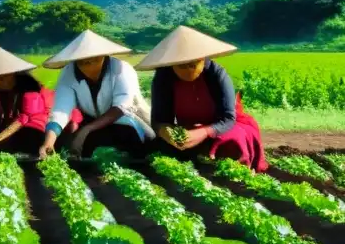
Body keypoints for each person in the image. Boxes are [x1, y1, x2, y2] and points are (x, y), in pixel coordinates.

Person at [140, 25, 267, 171]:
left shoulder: (217, 75)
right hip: (188, 129)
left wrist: (204, 132)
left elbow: (227, 119)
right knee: (159, 147)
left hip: (225, 127)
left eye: (192, 65)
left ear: (202, 59)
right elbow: (159, 120)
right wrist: (167, 132)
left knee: (233, 140)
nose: (188, 70)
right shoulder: (163, 78)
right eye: (181, 66)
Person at [38, 30, 154, 159]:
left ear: (104, 55)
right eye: (82, 60)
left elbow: (122, 107)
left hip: (126, 119)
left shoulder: (121, 68)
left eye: (93, 58)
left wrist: (86, 129)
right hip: (91, 120)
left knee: (146, 145)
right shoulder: (68, 73)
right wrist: (49, 142)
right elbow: (61, 110)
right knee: (75, 148)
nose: (88, 62)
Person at [0, 43, 82, 155]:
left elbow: (24, 118)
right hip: (16, 126)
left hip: (46, 124)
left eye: (4, 76)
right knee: (1, 139)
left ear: (15, 74)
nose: (0, 80)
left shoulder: (30, 89)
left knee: (29, 137)